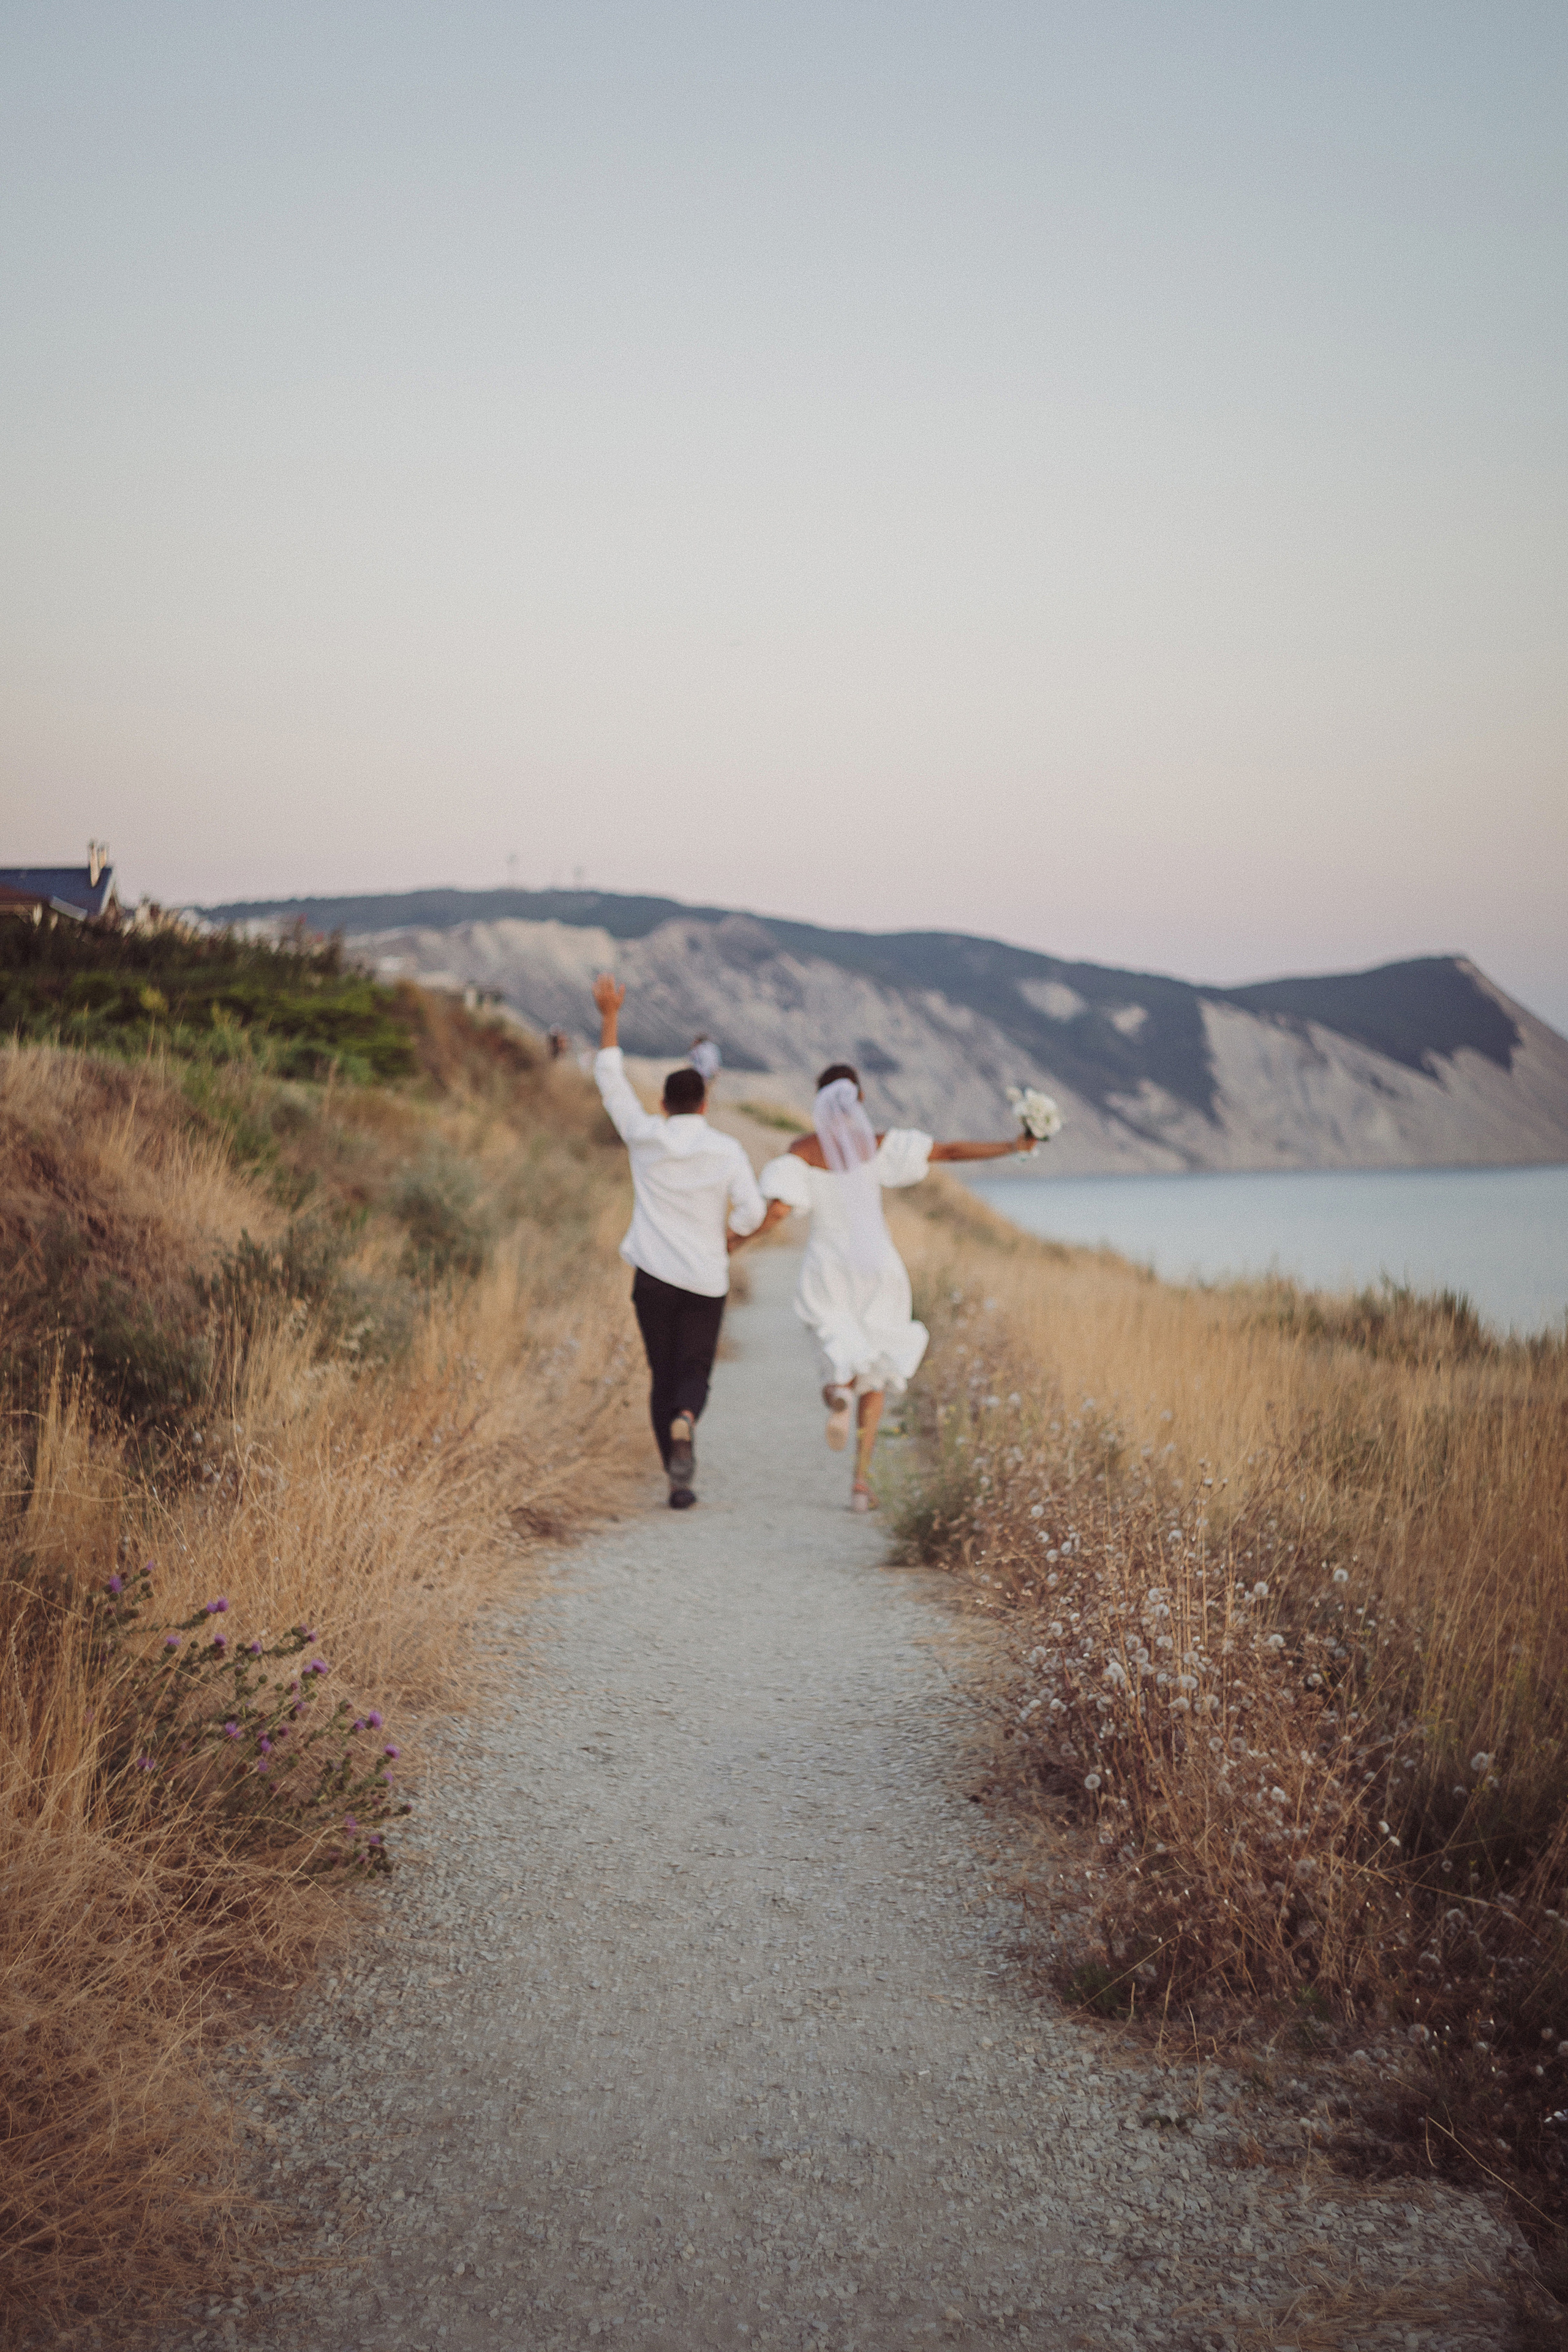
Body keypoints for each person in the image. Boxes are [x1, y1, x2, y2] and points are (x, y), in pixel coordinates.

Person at [734, 1066, 1036, 1511]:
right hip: (878, 1265)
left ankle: (837, 1390)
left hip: (830, 1263)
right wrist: (1014, 1145)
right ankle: (860, 1484)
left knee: (835, 1345)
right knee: (875, 1370)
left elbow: (779, 1209)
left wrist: (735, 1240)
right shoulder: (877, 1145)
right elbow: (949, 1152)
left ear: (819, 1100)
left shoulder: (802, 1150)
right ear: (858, 1098)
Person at [592, 973, 766, 1509]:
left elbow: (611, 1082)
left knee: (660, 1374)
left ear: (664, 1105)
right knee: (694, 1372)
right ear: (705, 1105)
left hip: (652, 1278)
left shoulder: (645, 1137)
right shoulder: (727, 1150)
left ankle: (675, 1480)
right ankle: (687, 1422)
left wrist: (610, 1015)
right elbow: (753, 1211)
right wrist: (731, 1242)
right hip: (705, 1278)